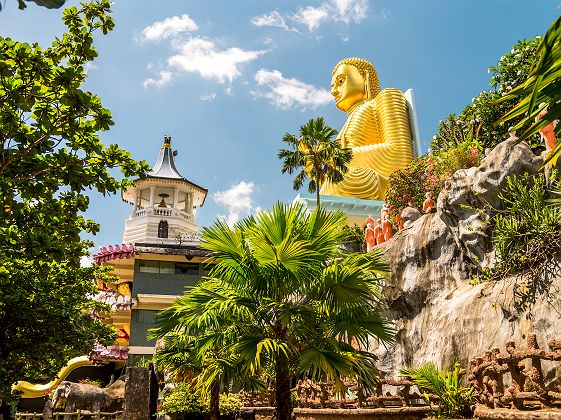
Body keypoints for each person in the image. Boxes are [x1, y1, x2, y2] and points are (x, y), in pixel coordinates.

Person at [321, 57, 415, 200]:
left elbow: (400, 154)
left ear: (365, 76)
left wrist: (338, 156)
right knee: (335, 182)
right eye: (332, 86)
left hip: (382, 184)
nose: (334, 91)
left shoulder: (385, 98)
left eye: (340, 81)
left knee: (341, 180)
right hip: (352, 181)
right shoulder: (342, 129)